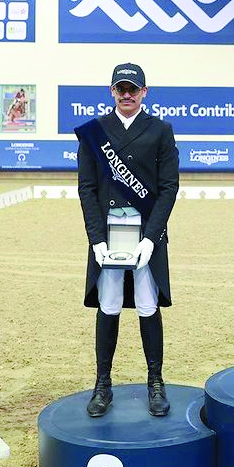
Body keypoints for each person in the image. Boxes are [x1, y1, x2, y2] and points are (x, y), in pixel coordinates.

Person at [75, 63, 179, 418]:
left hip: (146, 238)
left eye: (133, 89)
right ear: (112, 91)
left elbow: (168, 188)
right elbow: (87, 188)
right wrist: (96, 239)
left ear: (144, 92)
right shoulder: (96, 133)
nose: (127, 94)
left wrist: (152, 238)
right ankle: (103, 383)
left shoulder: (161, 131)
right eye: (121, 88)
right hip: (109, 239)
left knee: (149, 304)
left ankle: (155, 381)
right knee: (110, 303)